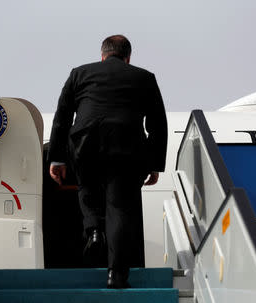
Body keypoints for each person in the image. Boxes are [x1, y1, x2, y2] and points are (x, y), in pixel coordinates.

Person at [47, 35, 167, 288]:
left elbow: (62, 118)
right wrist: (155, 163)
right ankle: (116, 275)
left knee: (86, 188)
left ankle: (92, 230)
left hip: (85, 143)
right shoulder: (144, 77)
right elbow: (157, 123)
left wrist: (56, 158)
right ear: (128, 57)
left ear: (102, 54)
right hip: (127, 147)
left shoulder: (79, 73)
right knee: (120, 209)